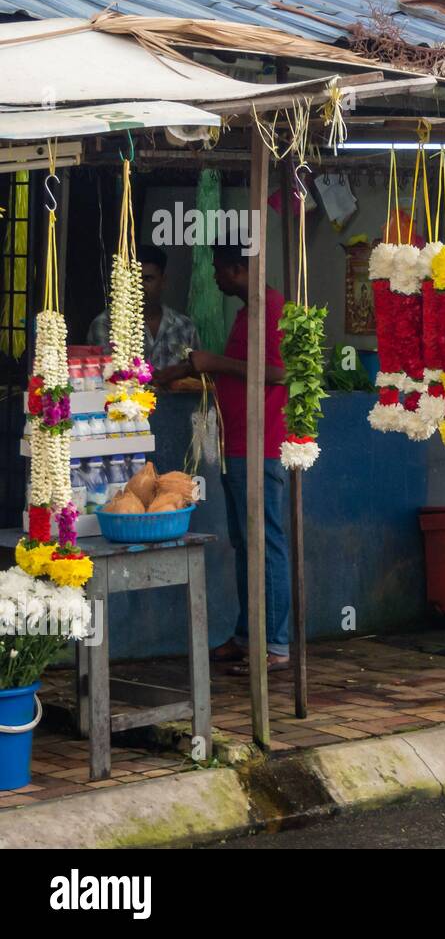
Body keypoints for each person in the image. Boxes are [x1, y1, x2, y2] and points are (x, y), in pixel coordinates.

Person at [155, 246, 291, 672]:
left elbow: (278, 372)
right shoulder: (246, 311)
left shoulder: (271, 309)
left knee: (265, 543)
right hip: (238, 442)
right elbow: (243, 368)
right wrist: (188, 370)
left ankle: (276, 644)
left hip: (261, 442)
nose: (215, 278)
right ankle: (249, 635)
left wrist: (212, 361)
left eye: (219, 269)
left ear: (239, 268)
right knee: (245, 542)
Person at [89, 244, 200, 369]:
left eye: (147, 279)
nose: (140, 286)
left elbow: (194, 373)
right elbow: (106, 374)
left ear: (163, 281)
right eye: (134, 279)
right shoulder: (107, 324)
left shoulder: (184, 327)